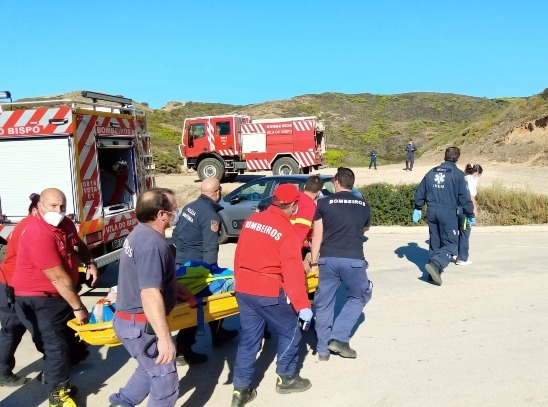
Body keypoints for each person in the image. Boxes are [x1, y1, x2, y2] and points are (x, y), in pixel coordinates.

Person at [12, 188, 98, 407]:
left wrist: (90, 262)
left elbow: (77, 243)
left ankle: (60, 375)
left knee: (67, 340)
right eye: (53, 206)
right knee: (55, 347)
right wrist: (79, 307)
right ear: (40, 207)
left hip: (59, 295)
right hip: (38, 298)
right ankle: (57, 394)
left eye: (62, 206)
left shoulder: (64, 223)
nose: (58, 211)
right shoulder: (37, 234)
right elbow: (58, 279)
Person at [109, 188, 194, 407]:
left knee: (148, 368)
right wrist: (165, 339)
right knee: (165, 378)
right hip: (140, 325)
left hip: (129, 321)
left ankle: (122, 402)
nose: (176, 212)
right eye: (174, 208)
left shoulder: (139, 233)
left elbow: (147, 277)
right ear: (162, 214)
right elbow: (149, 293)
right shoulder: (152, 245)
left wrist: (176, 288)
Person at [231, 184, 313, 407]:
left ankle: (240, 391)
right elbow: (293, 271)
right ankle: (286, 378)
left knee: (249, 341)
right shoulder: (286, 230)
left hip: (244, 289)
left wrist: (239, 281)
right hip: (268, 290)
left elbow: (239, 256)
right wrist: (302, 305)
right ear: (294, 205)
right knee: (290, 331)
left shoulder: (251, 221)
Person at [172, 178, 238, 366]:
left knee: (207, 303)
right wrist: (211, 273)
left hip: (181, 263)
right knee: (197, 306)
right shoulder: (211, 216)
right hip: (196, 268)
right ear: (218, 192)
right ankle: (183, 349)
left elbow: (176, 235)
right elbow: (210, 249)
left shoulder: (189, 207)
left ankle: (218, 332)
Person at [310, 167, 373, 361]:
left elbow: (317, 236)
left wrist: (313, 262)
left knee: (324, 303)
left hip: (328, 259)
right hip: (353, 259)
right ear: (351, 184)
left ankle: (322, 351)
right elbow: (364, 229)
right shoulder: (364, 205)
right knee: (360, 295)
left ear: (336, 183)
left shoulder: (323, 203)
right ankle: (339, 337)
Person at [413, 147, 475, 286]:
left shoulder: (431, 172)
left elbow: (420, 191)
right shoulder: (458, 175)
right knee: (451, 244)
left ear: (445, 156)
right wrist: (470, 213)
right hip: (447, 212)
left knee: (435, 242)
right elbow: (464, 197)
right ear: (457, 158)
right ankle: (436, 265)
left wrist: (418, 207)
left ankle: (431, 274)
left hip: (432, 211)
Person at [0, 193, 39, 387]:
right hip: (12, 286)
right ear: (34, 210)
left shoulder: (25, 224)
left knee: (14, 329)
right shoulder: (30, 227)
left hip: (10, 283)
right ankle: (2, 372)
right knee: (13, 329)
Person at [290, 175, 324, 272]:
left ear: (304, 187)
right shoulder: (311, 207)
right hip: (294, 250)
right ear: (318, 193)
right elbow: (303, 233)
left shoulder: (293, 198)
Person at [456, 164, 483, 265]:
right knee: (464, 233)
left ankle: (454, 253)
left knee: (456, 232)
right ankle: (462, 258)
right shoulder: (471, 180)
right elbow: (471, 198)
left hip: (455, 209)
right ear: (476, 173)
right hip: (465, 210)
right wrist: (474, 211)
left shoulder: (462, 177)